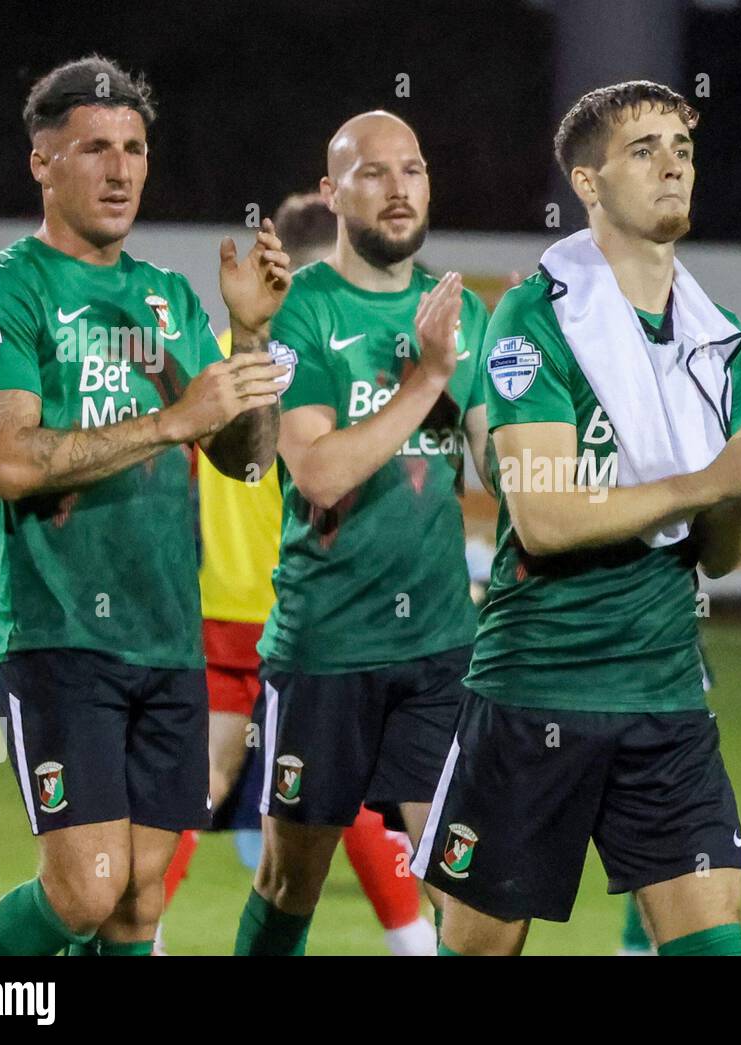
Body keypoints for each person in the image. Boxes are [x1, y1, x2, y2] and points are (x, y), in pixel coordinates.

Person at [413, 80, 741, 956]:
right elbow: (542, 518)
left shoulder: (717, 337)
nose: (673, 165)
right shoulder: (535, 317)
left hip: (664, 698)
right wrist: (708, 477)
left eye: (681, 149)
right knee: (480, 945)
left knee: (710, 938)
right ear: (587, 182)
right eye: (643, 150)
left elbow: (720, 557)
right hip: (537, 688)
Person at [0, 55, 290, 956]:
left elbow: (246, 461)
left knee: (140, 904)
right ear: (41, 162)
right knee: (85, 889)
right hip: (54, 632)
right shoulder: (1, 293)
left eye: (134, 147)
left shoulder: (168, 298)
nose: (121, 168)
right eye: (95, 147)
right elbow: (12, 462)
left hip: (164, 635)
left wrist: (250, 337)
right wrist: (173, 416)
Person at [233, 112, 492, 955]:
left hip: (440, 650)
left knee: (471, 893)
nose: (397, 188)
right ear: (331, 192)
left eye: (412, 170)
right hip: (324, 651)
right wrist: (426, 381)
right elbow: (318, 472)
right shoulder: (300, 310)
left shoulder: (461, 313)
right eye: (373, 172)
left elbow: (502, 470)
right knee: (288, 882)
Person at [161, 193, 434, 955]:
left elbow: (186, 466)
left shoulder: (224, 348)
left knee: (207, 779)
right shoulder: (332, 353)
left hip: (224, 604)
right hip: (314, 610)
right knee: (343, 788)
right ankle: (414, 940)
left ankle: (141, 931)